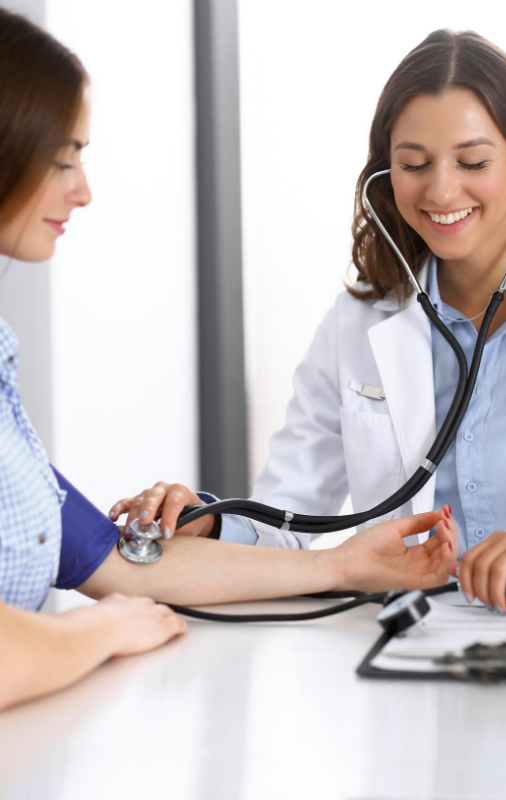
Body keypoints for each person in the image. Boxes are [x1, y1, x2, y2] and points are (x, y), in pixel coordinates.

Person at [0, 8, 456, 712]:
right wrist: (103, 629)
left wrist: (347, 562)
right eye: (64, 159)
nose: (84, 189)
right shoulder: (360, 319)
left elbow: (116, 562)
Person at [117, 29, 506, 612]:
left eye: (473, 161)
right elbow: (292, 520)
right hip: (411, 644)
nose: (442, 188)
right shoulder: (355, 325)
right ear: (385, 174)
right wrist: (208, 521)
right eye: (413, 164)